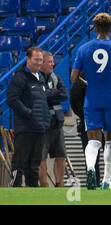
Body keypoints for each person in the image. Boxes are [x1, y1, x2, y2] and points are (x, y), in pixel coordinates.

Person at [70, 12, 111, 190]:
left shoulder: (83, 49)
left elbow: (73, 77)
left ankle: (90, 168)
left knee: (93, 141)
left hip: (92, 99)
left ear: (95, 29)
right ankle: (107, 180)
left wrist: (88, 83)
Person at [7, 47, 51, 187]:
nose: (39, 63)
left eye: (40, 60)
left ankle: (33, 193)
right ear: (27, 59)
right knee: (19, 162)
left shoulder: (41, 78)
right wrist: (28, 113)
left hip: (39, 128)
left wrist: (45, 120)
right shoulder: (20, 77)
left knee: (34, 164)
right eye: (36, 60)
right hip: (25, 127)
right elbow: (12, 99)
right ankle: (15, 190)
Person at [38, 51, 68, 187]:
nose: (53, 64)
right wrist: (52, 94)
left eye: (52, 61)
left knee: (61, 155)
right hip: (41, 125)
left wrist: (48, 94)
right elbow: (38, 96)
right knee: (41, 157)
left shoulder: (56, 78)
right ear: (42, 63)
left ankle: (59, 184)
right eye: (49, 62)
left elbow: (64, 95)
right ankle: (44, 185)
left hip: (57, 123)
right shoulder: (35, 78)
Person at [70, 72, 103, 187]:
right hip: (93, 122)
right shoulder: (84, 76)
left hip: (99, 121)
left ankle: (101, 181)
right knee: (98, 152)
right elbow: (74, 99)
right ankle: (110, 180)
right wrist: (85, 116)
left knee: (93, 152)